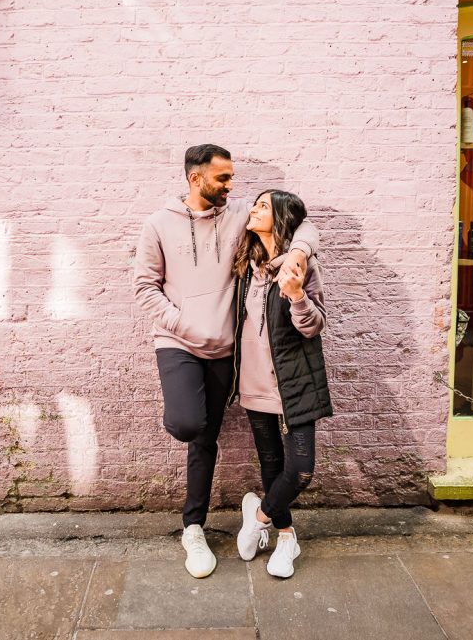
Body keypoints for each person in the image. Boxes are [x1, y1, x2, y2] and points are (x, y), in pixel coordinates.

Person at [133, 145, 319, 579]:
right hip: (178, 342)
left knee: (207, 437)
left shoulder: (239, 214)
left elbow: (303, 221)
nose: (231, 186)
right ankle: (210, 523)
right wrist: (185, 324)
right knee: (188, 424)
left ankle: (192, 527)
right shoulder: (159, 224)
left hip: (226, 352)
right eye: (223, 178)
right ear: (196, 179)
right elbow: (145, 287)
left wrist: (299, 253)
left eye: (232, 178)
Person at [232, 190, 331, 579]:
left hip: (293, 386)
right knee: (272, 467)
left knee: (301, 471)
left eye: (262, 205)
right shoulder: (245, 266)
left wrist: (296, 297)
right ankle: (287, 538)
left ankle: (257, 517)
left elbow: (315, 326)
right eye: (253, 204)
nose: (253, 209)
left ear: (280, 217)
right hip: (253, 385)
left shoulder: (301, 268)